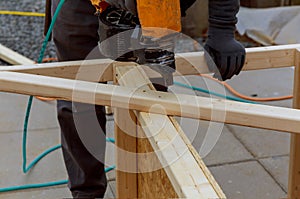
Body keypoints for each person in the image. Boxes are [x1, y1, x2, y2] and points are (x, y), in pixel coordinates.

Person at [51, 0, 245, 198]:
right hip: (78, 4)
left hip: (154, 9)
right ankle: (87, 192)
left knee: (152, 100)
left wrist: (222, 29)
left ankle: (147, 185)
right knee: (80, 100)